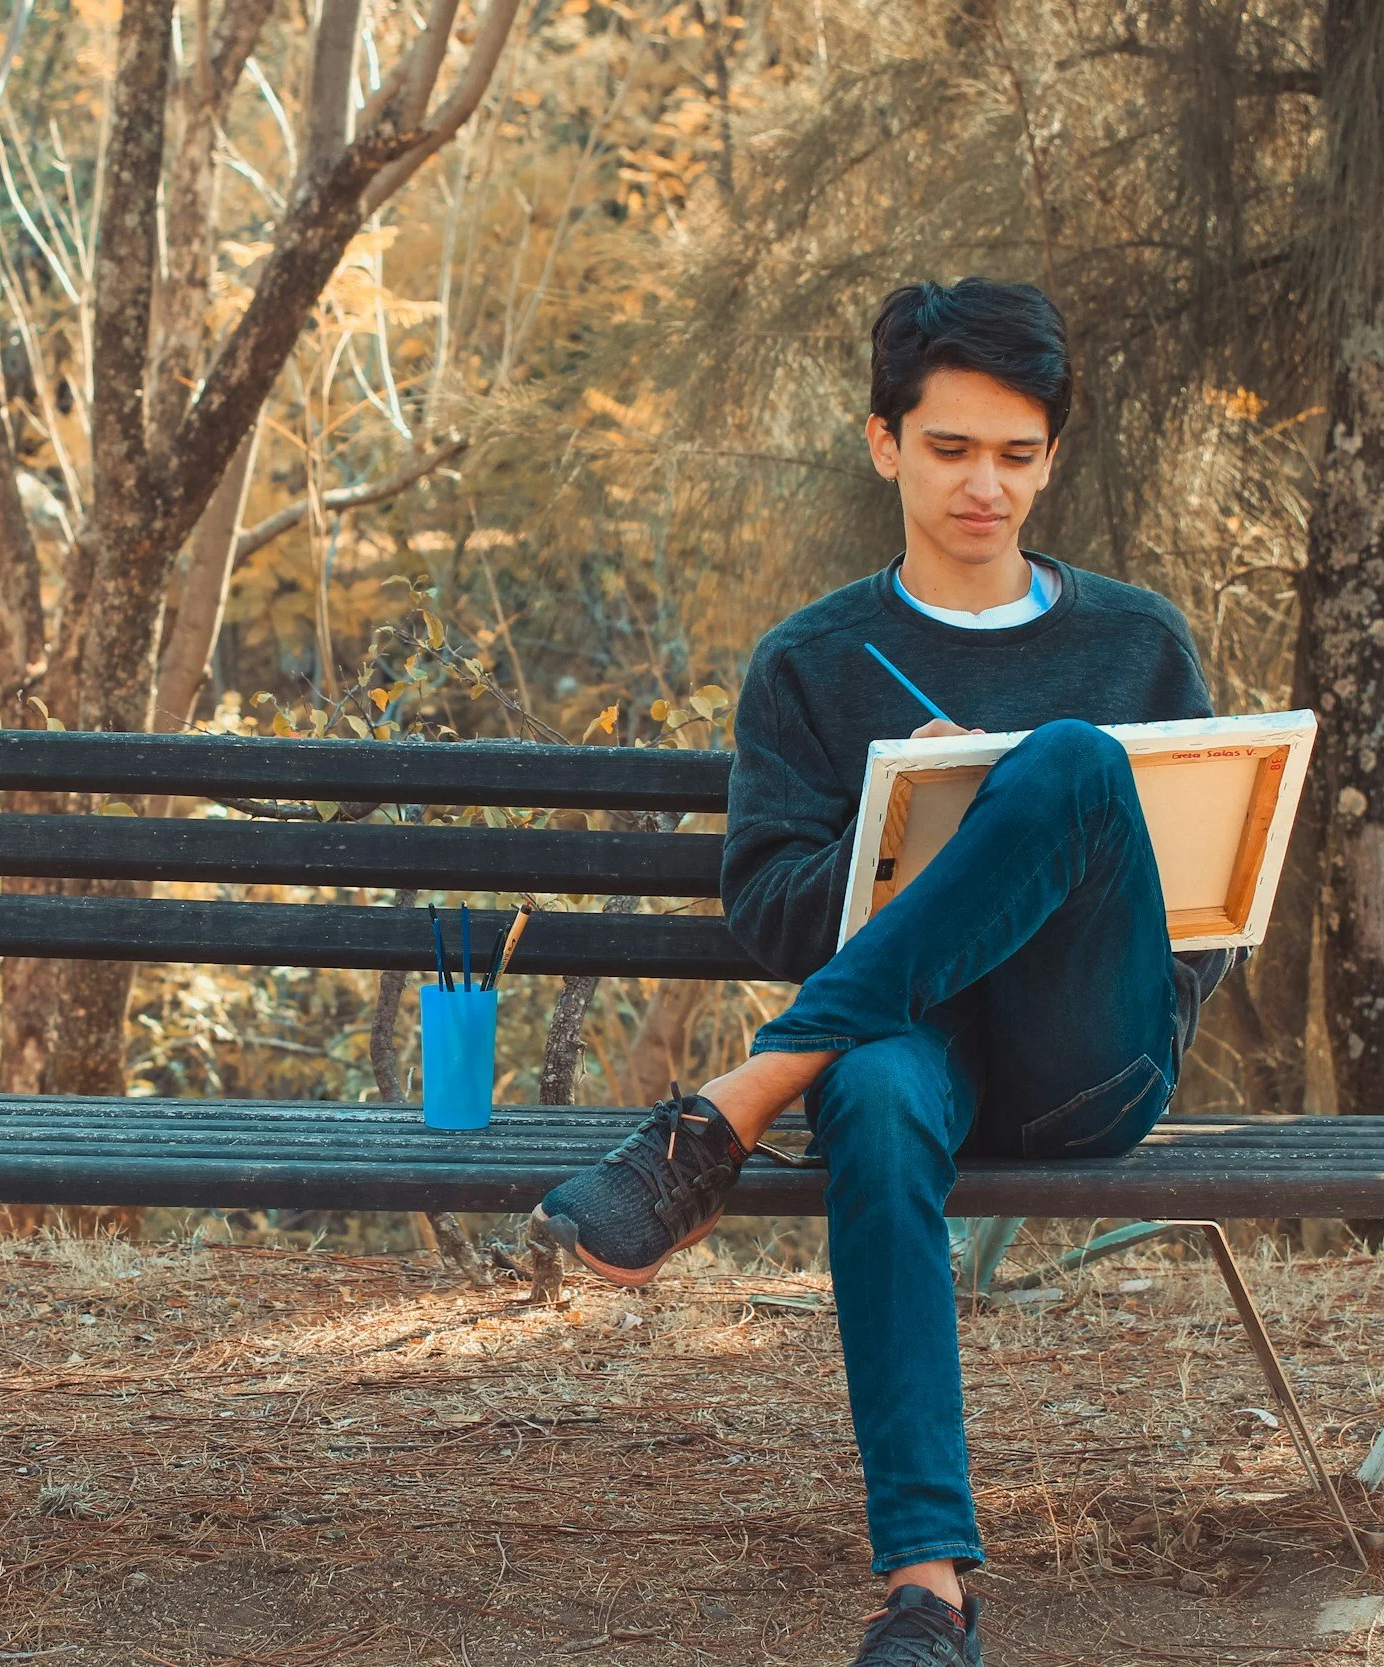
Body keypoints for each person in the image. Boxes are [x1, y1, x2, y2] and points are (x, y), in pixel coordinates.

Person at [533, 277, 1242, 1667]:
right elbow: (768, 900)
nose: (987, 485)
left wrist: (1036, 816)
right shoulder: (811, 662)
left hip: (1089, 1055)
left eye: (1019, 455)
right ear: (884, 443)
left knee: (1074, 761)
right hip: (914, 1054)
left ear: (1052, 456)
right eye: (952, 448)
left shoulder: (1138, 643)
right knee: (869, 1094)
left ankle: (732, 1107)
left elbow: (1200, 913)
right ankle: (930, 1591)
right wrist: (919, 834)